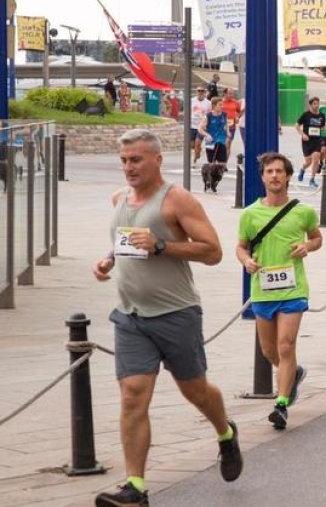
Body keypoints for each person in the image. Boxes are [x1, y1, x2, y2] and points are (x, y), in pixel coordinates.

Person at [92, 130, 241, 507]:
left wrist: (161, 245)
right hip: (130, 316)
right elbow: (126, 240)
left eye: (136, 159)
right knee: (132, 396)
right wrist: (109, 259)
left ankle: (225, 432)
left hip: (176, 314)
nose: (128, 167)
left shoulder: (177, 200)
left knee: (195, 392)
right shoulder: (119, 198)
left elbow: (213, 252)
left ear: (157, 159)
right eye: (124, 160)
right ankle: (135, 487)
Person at [236, 152, 322, 430]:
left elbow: (317, 237)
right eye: (269, 171)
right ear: (262, 177)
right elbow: (240, 246)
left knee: (286, 345)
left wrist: (306, 247)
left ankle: (281, 404)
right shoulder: (250, 214)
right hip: (263, 289)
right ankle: (292, 373)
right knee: (269, 350)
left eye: (279, 171)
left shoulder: (303, 211)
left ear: (287, 176)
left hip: (293, 288)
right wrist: (246, 260)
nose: (274, 176)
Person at [295, 97, 326, 188]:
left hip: (317, 140)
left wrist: (323, 142)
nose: (316, 105)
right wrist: (302, 134)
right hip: (307, 141)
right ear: (310, 105)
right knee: (308, 162)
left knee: (316, 157)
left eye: (318, 103)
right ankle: (303, 169)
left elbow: (323, 129)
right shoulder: (306, 115)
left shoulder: (322, 116)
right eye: (314, 104)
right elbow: (297, 125)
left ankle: (312, 179)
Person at [200, 108, 230, 193]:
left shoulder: (224, 115)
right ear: (214, 106)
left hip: (221, 141)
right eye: (219, 105)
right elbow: (200, 129)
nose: (221, 106)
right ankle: (209, 183)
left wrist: (227, 132)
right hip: (211, 142)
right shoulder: (208, 116)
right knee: (211, 165)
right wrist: (207, 135)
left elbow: (226, 125)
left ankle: (215, 184)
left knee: (222, 164)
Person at [189, 87, 212, 165]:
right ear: (196, 92)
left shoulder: (208, 103)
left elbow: (210, 114)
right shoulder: (192, 101)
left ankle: (194, 161)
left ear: (205, 92)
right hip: (192, 125)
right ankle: (198, 150)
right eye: (199, 91)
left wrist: (209, 125)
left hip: (202, 127)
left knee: (197, 143)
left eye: (202, 91)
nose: (200, 92)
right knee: (192, 145)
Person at [219, 89, 242, 154]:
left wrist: (237, 117)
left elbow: (239, 111)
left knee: (228, 144)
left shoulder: (235, 102)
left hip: (231, 126)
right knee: (222, 144)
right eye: (229, 93)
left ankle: (224, 163)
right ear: (225, 94)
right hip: (221, 126)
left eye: (232, 93)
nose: (231, 95)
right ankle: (220, 161)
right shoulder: (220, 102)